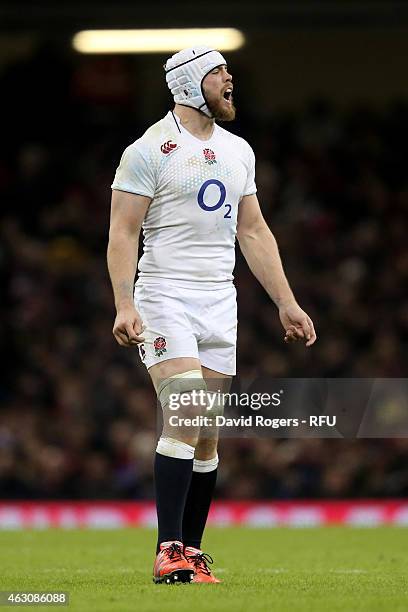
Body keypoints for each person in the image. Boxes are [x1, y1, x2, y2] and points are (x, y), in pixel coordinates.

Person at [107, 45, 317, 585]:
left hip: (219, 299)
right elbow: (123, 233)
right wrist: (125, 302)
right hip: (164, 296)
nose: (230, 80)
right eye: (218, 72)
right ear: (188, 84)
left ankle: (191, 553)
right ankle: (167, 550)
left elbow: (253, 230)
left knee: (208, 434)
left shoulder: (238, 151)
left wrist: (286, 301)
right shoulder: (147, 151)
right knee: (189, 415)